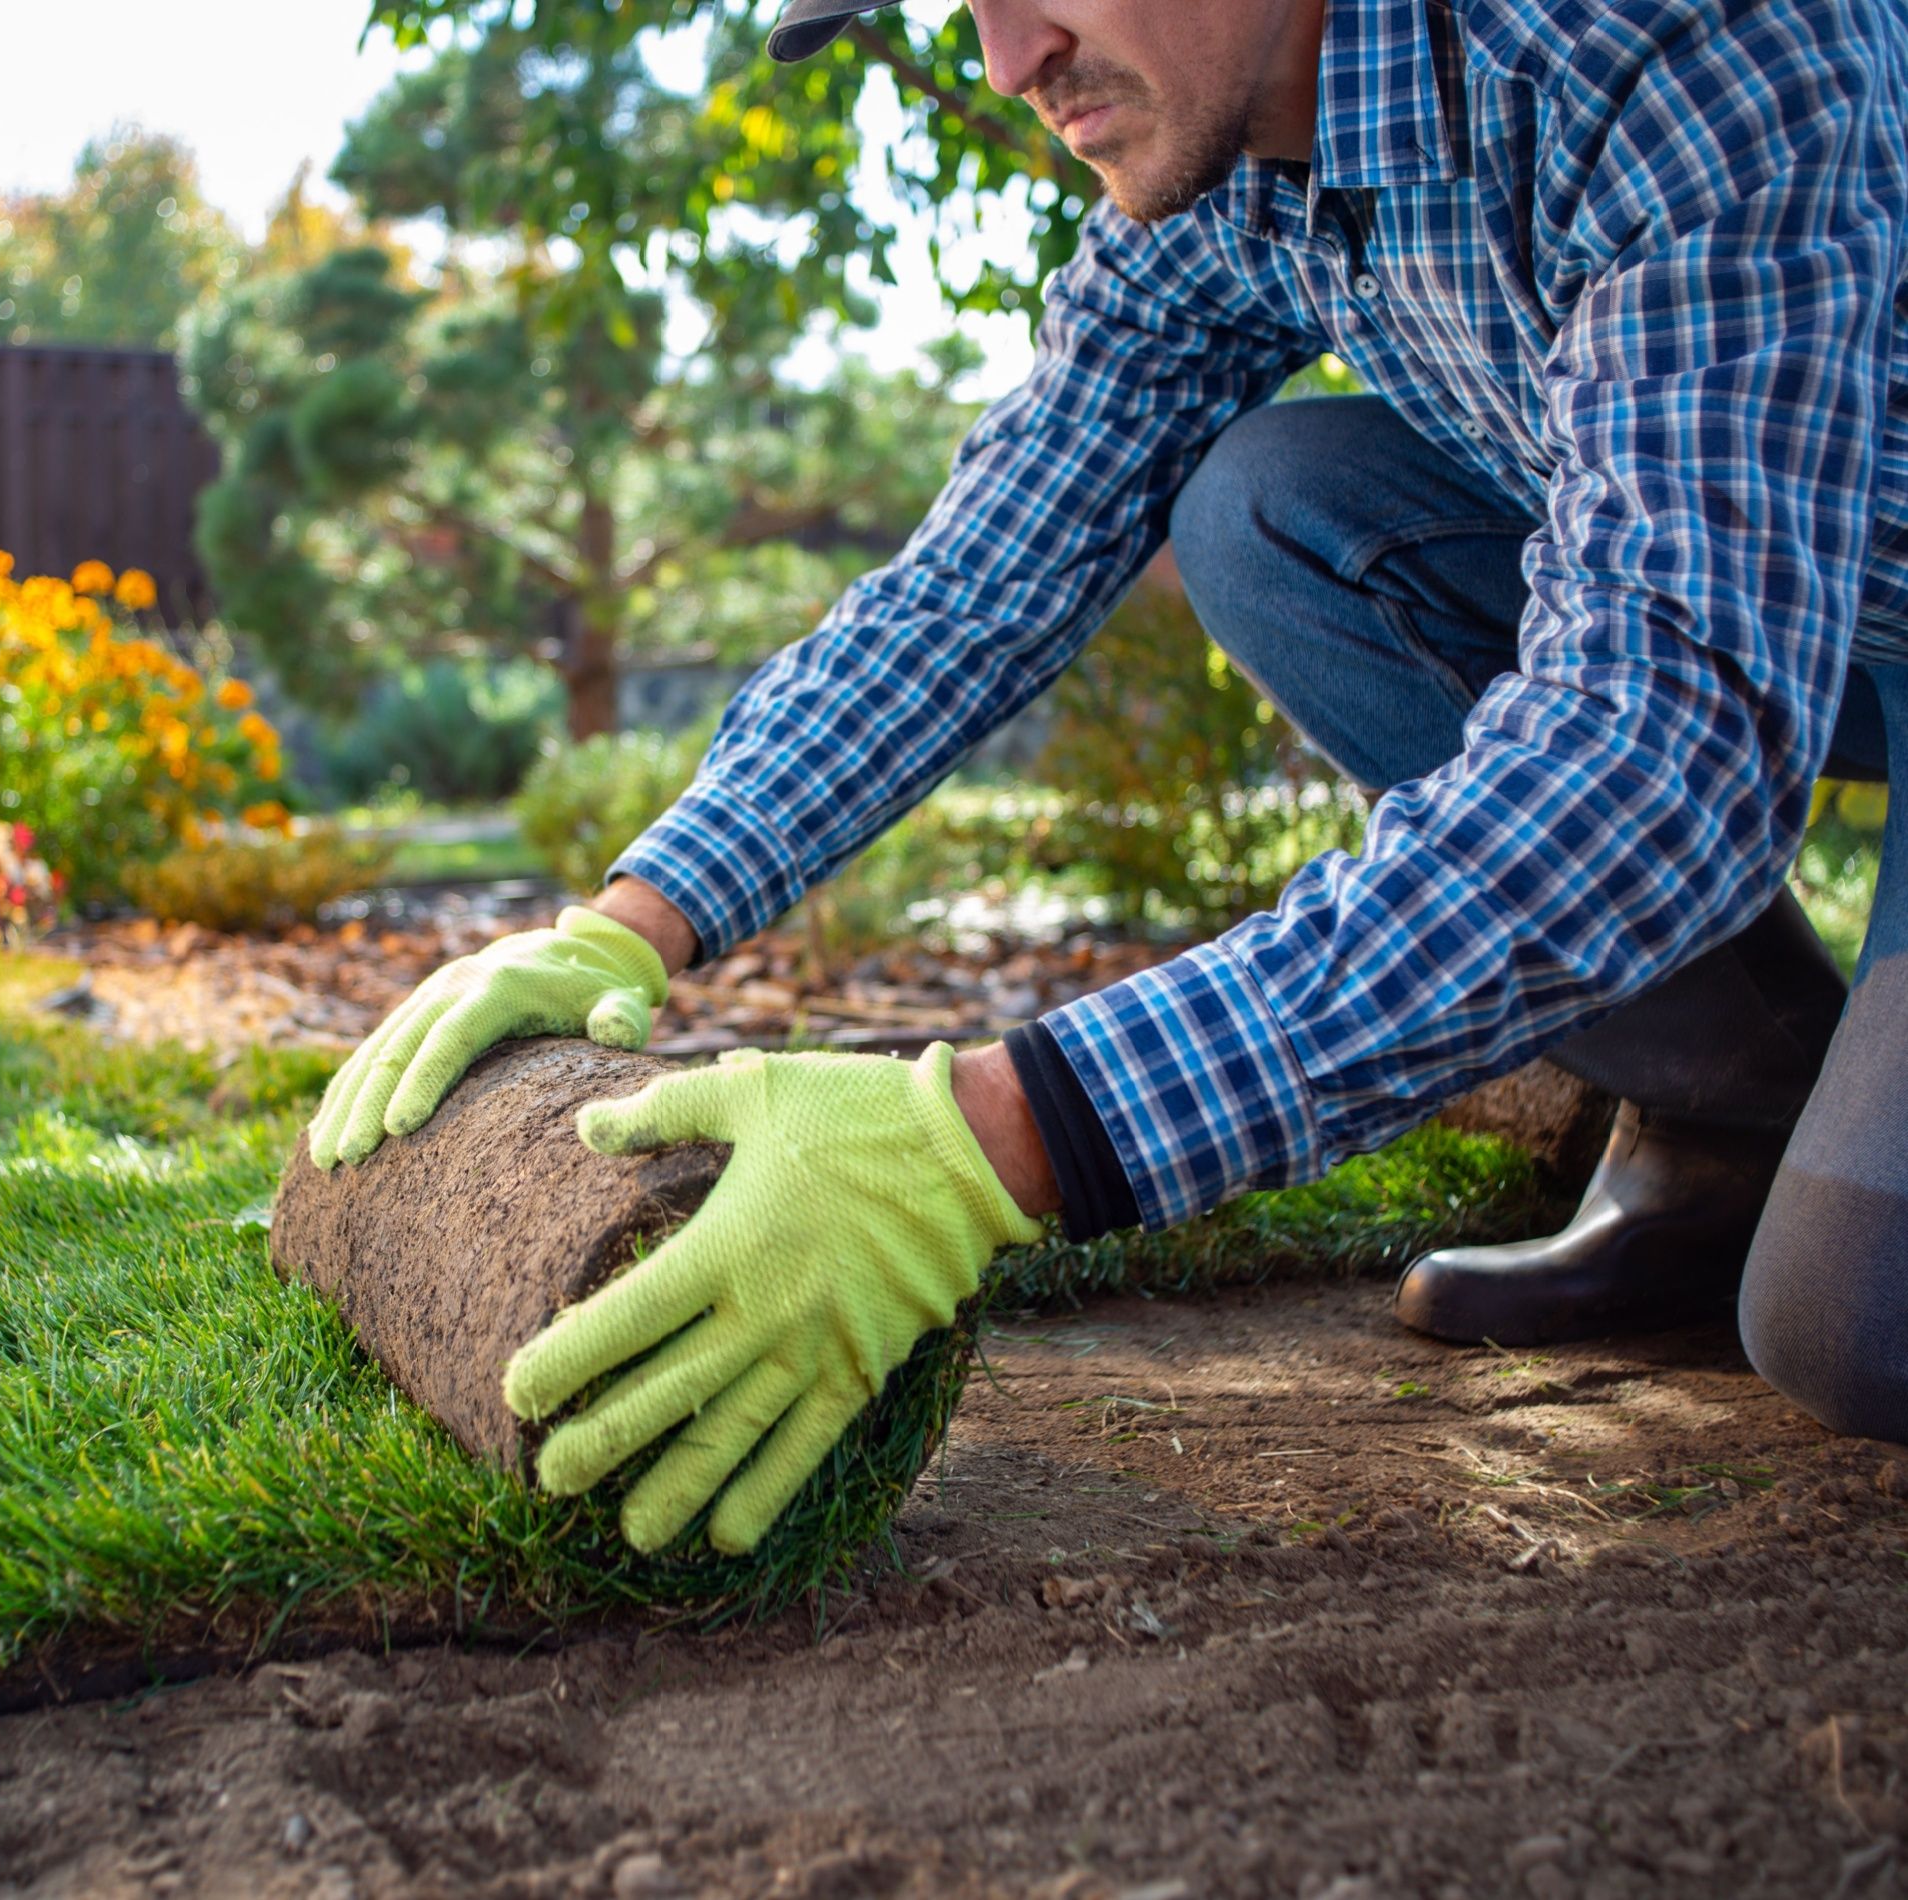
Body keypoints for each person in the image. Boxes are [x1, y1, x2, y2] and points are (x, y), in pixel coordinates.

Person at [309, 0, 1908, 1556]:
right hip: (1783, 593)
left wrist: (1004, 1134)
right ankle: (1735, 1119)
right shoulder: (1229, 171)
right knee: (1269, 511)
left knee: (1857, 1324)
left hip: (1758, 629)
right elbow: (981, 577)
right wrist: (636, 916)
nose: (1008, 64)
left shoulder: (1675, 36)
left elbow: (1655, 754)